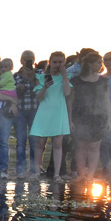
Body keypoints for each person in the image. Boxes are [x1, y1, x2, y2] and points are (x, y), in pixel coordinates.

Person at [29, 51, 71, 182]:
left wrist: (64, 77)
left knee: (58, 144)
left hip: (59, 112)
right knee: (40, 144)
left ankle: (56, 174)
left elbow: (67, 93)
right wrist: (45, 87)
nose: (57, 65)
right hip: (44, 112)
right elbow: (38, 98)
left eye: (60, 62)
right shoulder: (41, 77)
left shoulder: (66, 77)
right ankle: (36, 171)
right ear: (50, 62)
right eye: (55, 62)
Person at [70, 52, 110, 182]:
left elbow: (106, 101)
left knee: (94, 147)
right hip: (79, 116)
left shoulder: (103, 81)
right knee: (80, 147)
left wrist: (108, 120)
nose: (101, 65)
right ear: (90, 64)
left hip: (98, 117)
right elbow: (70, 102)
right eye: (98, 62)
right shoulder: (76, 81)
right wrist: (70, 119)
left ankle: (91, 176)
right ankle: (81, 175)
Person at [12, 51, 39, 178]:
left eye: (31, 59)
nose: (28, 61)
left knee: (34, 141)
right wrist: (19, 89)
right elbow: (11, 94)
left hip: (35, 110)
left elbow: (42, 90)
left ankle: (34, 170)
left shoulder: (39, 74)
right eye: (26, 59)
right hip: (20, 111)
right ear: (21, 61)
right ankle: (20, 170)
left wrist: (33, 79)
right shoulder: (15, 76)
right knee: (21, 141)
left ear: (34, 60)